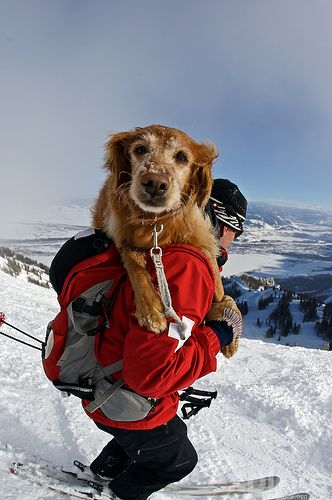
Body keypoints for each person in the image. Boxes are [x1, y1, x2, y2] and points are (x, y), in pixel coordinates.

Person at [87, 179, 248, 500]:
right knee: (178, 460)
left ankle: (102, 473)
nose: (233, 240)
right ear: (213, 216)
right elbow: (148, 373)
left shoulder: (159, 242)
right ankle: (116, 495)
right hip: (120, 392)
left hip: (103, 380)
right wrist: (219, 334)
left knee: (156, 434)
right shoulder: (185, 265)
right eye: (233, 228)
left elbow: (166, 332)